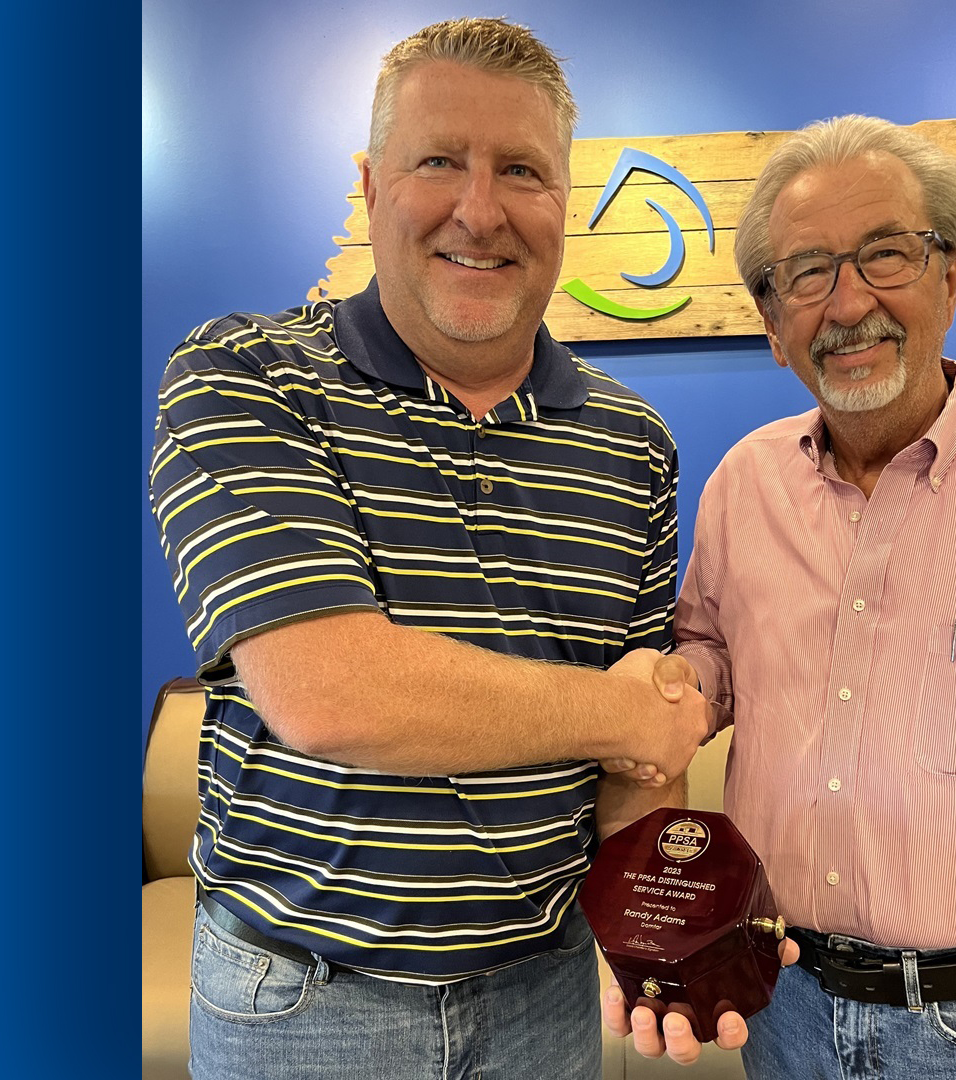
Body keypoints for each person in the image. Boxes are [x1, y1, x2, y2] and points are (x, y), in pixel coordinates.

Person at [148, 17, 712, 1080]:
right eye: (439, 161)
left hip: (545, 996)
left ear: (565, 204)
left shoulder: (633, 444)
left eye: (523, 171)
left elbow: (642, 760)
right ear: (371, 185)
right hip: (307, 1003)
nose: (481, 209)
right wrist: (624, 711)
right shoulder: (243, 379)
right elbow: (332, 697)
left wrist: (652, 934)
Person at [604, 114, 956, 1078]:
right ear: (771, 324)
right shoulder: (744, 483)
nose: (847, 304)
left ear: (950, 277)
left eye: (885, 254)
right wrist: (661, 690)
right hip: (785, 1005)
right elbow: (715, 654)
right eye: (806, 272)